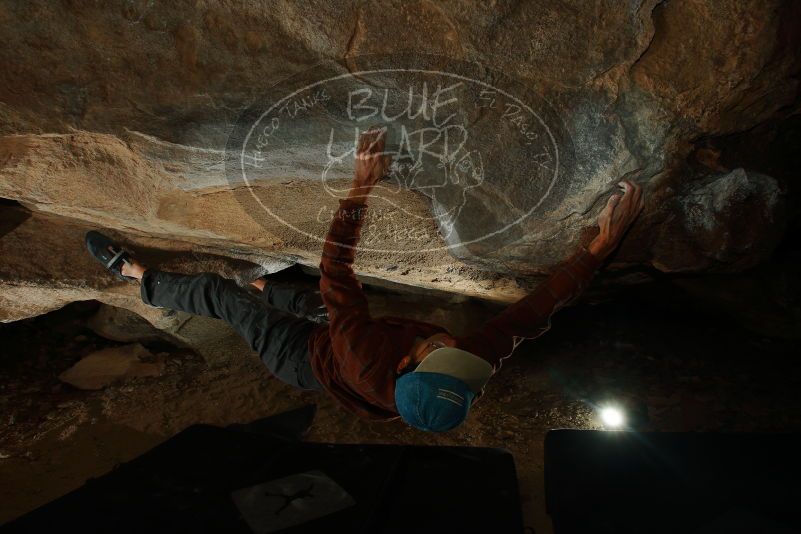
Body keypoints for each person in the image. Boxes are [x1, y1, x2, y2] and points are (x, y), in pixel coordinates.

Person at [85, 129, 644, 432]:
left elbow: (338, 267)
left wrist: (359, 190)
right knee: (310, 302)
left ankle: (140, 278)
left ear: (405, 365)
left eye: (438, 351)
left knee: (223, 295)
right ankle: (267, 289)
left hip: (302, 358)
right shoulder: (459, 367)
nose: (451, 343)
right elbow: (533, 312)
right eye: (457, 357)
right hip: (343, 336)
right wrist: (595, 251)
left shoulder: (364, 354)